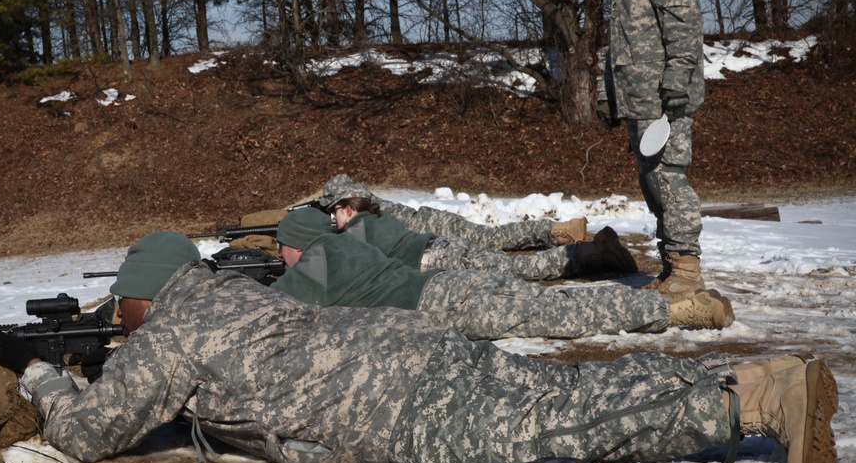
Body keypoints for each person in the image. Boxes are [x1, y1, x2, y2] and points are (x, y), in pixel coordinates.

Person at [0, 230, 838, 463]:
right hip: (414, 350)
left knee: (572, 418)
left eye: (123, 303)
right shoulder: (226, 294)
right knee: (570, 386)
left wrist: (49, 378)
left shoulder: (168, 329)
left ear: (143, 290)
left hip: (404, 405)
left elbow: (92, 435)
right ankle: (731, 376)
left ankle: (753, 402)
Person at [272, 207, 734, 337]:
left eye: (281, 250)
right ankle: (667, 304)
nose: (279, 259)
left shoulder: (318, 265)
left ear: (298, 244)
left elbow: (278, 313)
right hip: (446, 285)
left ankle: (676, 311)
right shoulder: (348, 244)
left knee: (554, 313)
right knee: (541, 296)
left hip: (446, 299)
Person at [593, 0, 707, 300]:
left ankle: (688, 271)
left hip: (666, 100)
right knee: (653, 182)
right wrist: (609, 94)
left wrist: (677, 80)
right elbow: (621, 45)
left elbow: (685, 31)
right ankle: (670, 267)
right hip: (639, 102)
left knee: (670, 178)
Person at [325, 185, 637, 280]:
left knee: (508, 264)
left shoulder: (360, 220)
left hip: (429, 239)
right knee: (495, 244)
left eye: (332, 210)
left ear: (345, 206)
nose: (330, 217)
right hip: (433, 234)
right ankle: (563, 233)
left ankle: (588, 254)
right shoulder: (373, 208)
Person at [319, 173, 589, 250]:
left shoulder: (357, 204)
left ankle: (557, 231)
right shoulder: (364, 198)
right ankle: (556, 231)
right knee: (492, 238)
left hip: (432, 227)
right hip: (432, 222)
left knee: (491, 240)